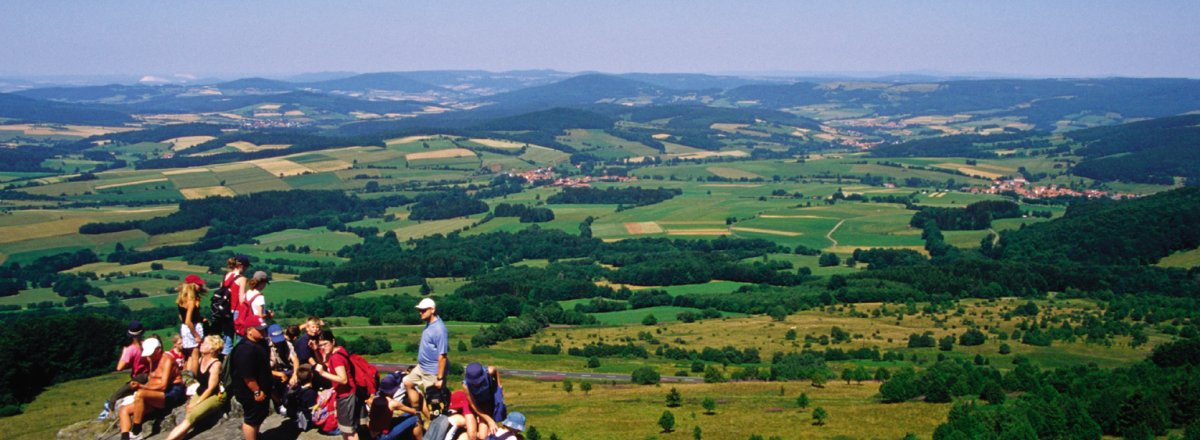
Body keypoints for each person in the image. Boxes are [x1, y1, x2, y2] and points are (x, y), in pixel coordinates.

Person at [118, 337, 185, 440]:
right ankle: (125, 438)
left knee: (140, 394)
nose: (149, 356)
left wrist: (142, 387)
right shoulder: (152, 359)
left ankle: (136, 432)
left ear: (158, 350)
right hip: (157, 394)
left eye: (152, 353)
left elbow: (163, 386)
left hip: (172, 392)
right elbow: (152, 379)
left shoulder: (167, 360)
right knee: (124, 410)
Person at [165, 336, 224, 440]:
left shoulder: (215, 364)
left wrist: (197, 403)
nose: (201, 344)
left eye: (205, 344)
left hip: (215, 395)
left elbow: (211, 388)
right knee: (188, 412)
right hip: (201, 391)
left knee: (193, 414)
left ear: (212, 349)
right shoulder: (201, 359)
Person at [403, 298, 448, 422]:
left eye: (423, 310)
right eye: (419, 310)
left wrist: (440, 378)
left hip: (432, 371)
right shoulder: (430, 324)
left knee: (434, 403)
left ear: (432, 310)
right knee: (407, 382)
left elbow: (442, 356)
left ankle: (434, 424)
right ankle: (416, 413)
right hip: (422, 367)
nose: (420, 313)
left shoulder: (439, 329)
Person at [230, 324, 273, 440]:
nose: (263, 332)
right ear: (249, 330)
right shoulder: (245, 349)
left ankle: (256, 436)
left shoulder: (259, 343)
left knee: (259, 415)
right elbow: (247, 375)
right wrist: (256, 391)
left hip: (261, 386)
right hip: (250, 391)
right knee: (252, 419)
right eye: (260, 330)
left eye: (264, 329)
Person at [315, 329, 360, 440]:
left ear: (333, 341)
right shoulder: (340, 351)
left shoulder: (336, 358)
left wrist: (322, 373)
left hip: (346, 396)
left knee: (349, 432)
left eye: (325, 344)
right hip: (348, 394)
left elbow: (343, 379)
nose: (323, 348)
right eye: (321, 345)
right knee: (346, 429)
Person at [100, 321, 150, 420]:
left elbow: (119, 368)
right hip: (149, 375)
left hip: (139, 378)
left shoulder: (131, 349)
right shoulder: (146, 345)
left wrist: (124, 353)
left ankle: (110, 416)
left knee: (114, 397)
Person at [373, 370, 423, 440]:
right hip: (384, 436)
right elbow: (414, 411)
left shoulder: (374, 399)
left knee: (405, 415)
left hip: (374, 434)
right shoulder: (393, 403)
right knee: (415, 418)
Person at [462, 363, 506, 440]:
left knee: (483, 436)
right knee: (472, 436)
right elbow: (473, 405)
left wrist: (499, 386)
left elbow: (495, 370)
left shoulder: (489, 371)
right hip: (472, 404)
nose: (476, 383)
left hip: (486, 403)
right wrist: (489, 420)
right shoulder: (465, 385)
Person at [176, 274, 207, 375]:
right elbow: (188, 321)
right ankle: (194, 378)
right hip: (192, 327)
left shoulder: (182, 299)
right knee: (195, 355)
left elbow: (182, 317)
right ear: (193, 285)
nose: (200, 286)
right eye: (198, 284)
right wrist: (196, 335)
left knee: (189, 356)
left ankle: (186, 378)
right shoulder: (191, 301)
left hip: (185, 329)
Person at [220, 255, 250, 354]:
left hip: (225, 311)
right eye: (246, 266)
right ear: (241, 266)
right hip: (236, 310)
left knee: (227, 338)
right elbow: (241, 299)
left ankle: (225, 363)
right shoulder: (242, 279)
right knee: (239, 338)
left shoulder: (226, 276)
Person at [267, 323, 300, 404]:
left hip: (286, 369)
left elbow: (295, 359)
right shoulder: (265, 347)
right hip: (271, 372)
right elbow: (263, 368)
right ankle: (278, 403)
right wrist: (279, 374)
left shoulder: (286, 344)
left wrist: (295, 375)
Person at [285, 364, 319, 431]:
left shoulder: (298, 389)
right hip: (308, 417)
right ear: (312, 376)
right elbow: (312, 407)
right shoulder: (310, 392)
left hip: (300, 413)